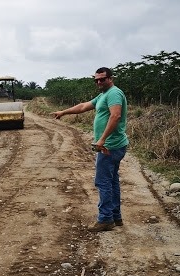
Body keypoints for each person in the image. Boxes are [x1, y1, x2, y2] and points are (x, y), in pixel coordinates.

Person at [52, 67, 129, 232]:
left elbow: (115, 116)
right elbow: (83, 106)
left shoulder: (114, 93)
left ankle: (105, 219)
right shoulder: (103, 95)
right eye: (96, 80)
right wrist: (63, 112)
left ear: (110, 78)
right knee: (112, 181)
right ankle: (116, 217)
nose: (99, 82)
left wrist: (102, 139)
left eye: (102, 79)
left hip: (109, 146)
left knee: (103, 181)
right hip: (112, 145)